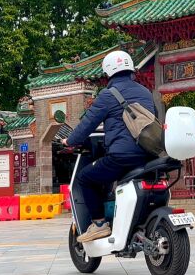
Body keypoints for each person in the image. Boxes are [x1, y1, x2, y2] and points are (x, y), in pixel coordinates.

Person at [62, 50, 156, 243]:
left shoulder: (108, 95)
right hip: (148, 156)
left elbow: (86, 125)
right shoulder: (145, 92)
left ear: (108, 72)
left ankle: (98, 224)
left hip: (122, 157)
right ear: (130, 68)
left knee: (85, 177)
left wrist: (69, 141)